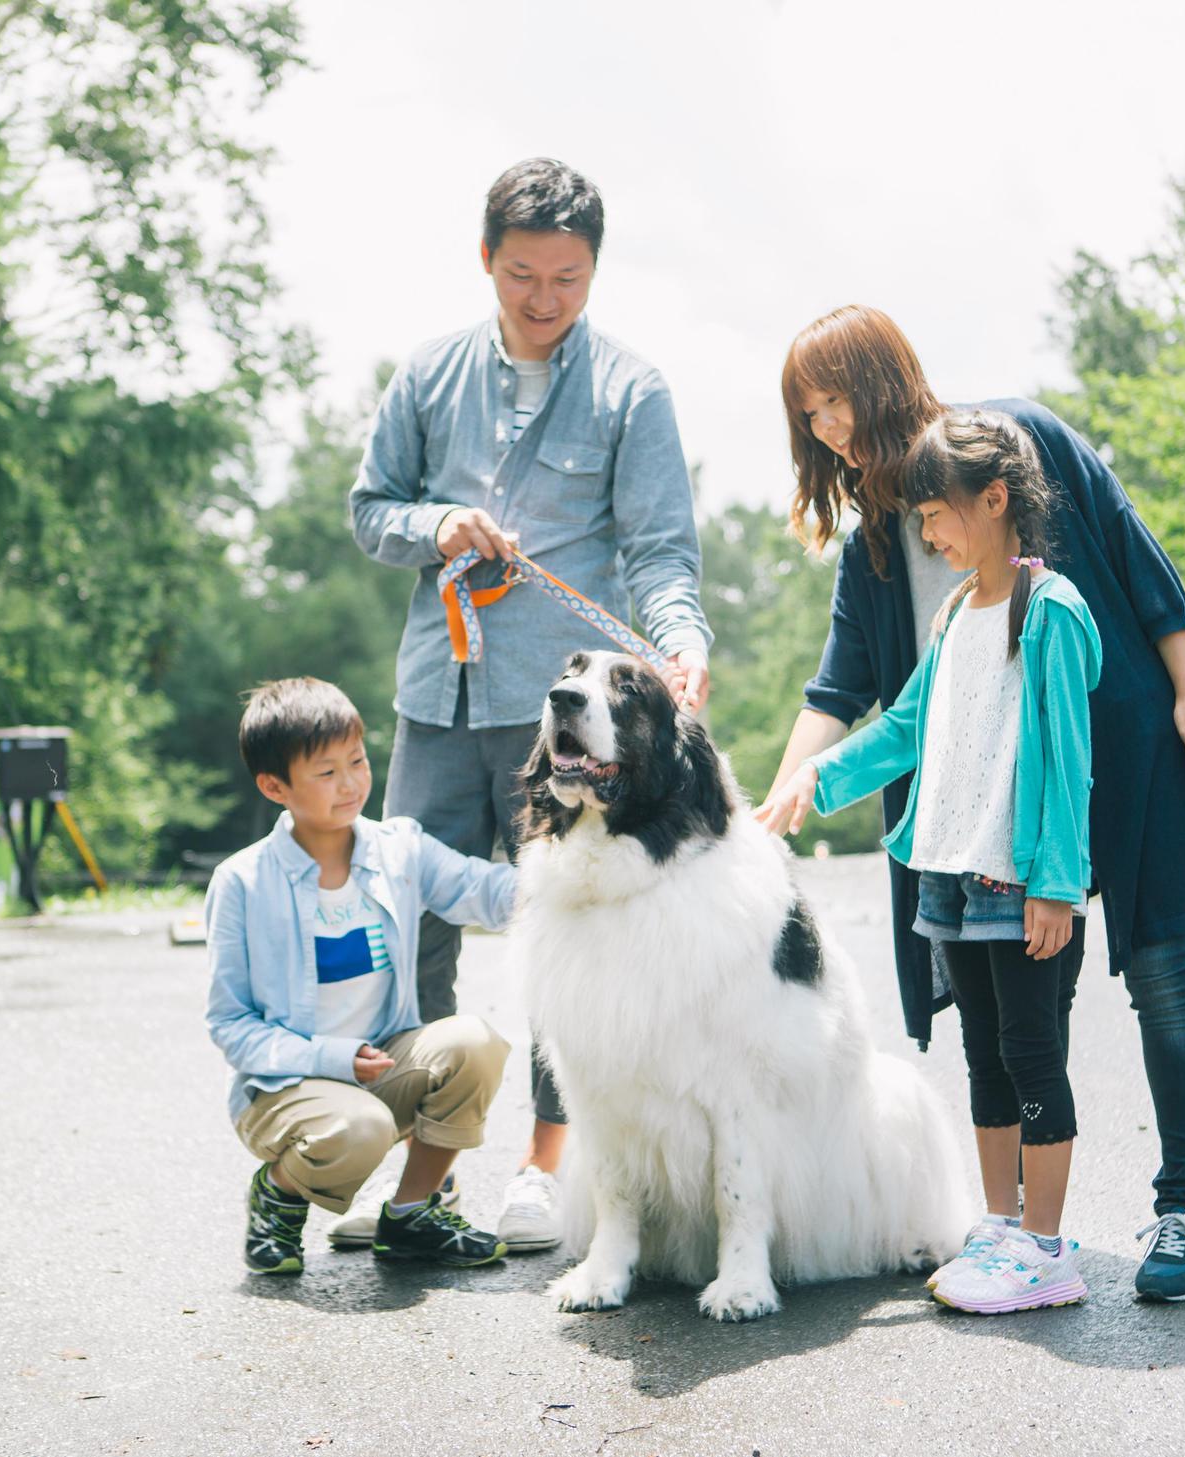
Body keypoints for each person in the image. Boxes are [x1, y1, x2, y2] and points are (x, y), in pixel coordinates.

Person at [763, 305, 1185, 1302]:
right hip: (979, 820)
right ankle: (1017, 1229)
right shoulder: (881, 549)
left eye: (835, 401)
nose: (828, 431)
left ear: (882, 381)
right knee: (1014, 1030)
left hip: (1120, 741)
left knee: (1162, 972)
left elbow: (1129, 546)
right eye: (809, 417)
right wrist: (790, 785)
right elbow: (847, 692)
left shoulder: (1015, 439)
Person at [347, 158, 713, 1252]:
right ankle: (417, 1179)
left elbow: (660, 553)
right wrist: (435, 527)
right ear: (485, 261)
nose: (544, 296)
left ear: (594, 269)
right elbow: (370, 511)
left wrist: (682, 638)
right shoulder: (424, 376)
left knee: (563, 939)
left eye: (567, 276)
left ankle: (546, 1172)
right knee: (405, 930)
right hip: (433, 697)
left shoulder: (633, 391)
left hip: (563, 716)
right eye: (522, 274)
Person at [759, 409, 1100, 1314]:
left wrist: (1058, 886)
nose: (929, 533)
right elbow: (906, 727)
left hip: (1023, 882)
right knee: (984, 1055)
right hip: (951, 876)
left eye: (938, 515)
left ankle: (1046, 1247)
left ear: (994, 500)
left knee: (1032, 1055)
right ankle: (998, 1225)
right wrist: (814, 777)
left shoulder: (1051, 609)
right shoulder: (954, 612)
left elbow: (1069, 761)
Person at [207, 677, 515, 1273]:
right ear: (275, 786)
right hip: (285, 1090)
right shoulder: (243, 882)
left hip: (380, 1069)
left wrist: (581, 879)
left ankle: (412, 1214)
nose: (350, 784)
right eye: (325, 773)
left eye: (357, 760)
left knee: (475, 1042)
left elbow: (484, 889)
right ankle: (279, 1195)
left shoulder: (399, 848)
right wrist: (331, 1057)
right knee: (361, 1126)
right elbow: (229, 1024)